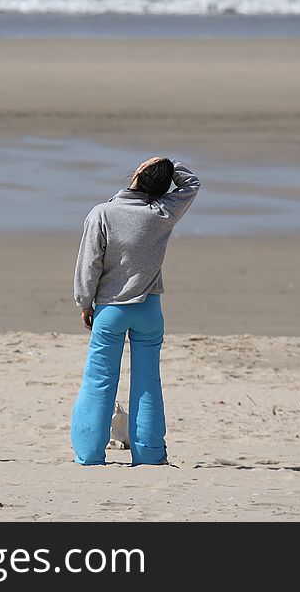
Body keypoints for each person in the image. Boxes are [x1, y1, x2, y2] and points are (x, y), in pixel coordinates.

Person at [71, 156, 200, 465]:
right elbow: (191, 183)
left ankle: (89, 454)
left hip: (110, 308)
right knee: (147, 381)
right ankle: (150, 453)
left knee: (99, 379)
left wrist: (84, 302)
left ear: (138, 174)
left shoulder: (103, 213)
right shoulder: (162, 212)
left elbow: (89, 264)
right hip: (148, 308)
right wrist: (170, 165)